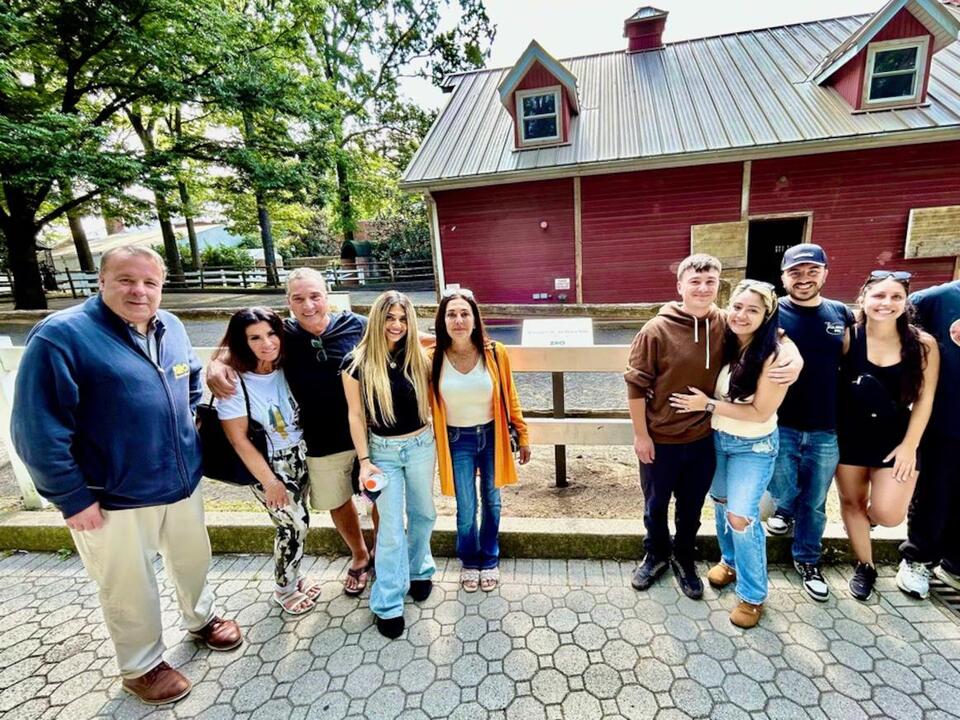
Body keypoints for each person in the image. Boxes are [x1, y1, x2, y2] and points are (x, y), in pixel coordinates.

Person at [11, 246, 242, 706]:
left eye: (150, 282)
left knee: (193, 558)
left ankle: (201, 619)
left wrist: (193, 416)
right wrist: (71, 497)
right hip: (110, 494)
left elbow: (190, 377)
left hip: (179, 482)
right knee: (128, 582)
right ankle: (141, 665)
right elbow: (36, 429)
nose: (140, 290)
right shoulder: (62, 337)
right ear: (101, 281)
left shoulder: (171, 327)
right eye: (126, 280)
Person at [624, 254, 801, 600]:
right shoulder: (655, 330)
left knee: (692, 508)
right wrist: (641, 435)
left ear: (718, 286)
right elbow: (635, 386)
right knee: (656, 505)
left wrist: (795, 357)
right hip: (660, 440)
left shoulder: (728, 322)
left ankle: (685, 558)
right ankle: (656, 553)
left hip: (705, 438)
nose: (703, 289)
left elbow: (772, 333)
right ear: (680, 287)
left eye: (710, 282)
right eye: (694, 282)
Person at [207, 268, 374, 596]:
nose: (308, 304)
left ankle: (383, 553)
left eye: (315, 296)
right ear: (289, 302)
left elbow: (400, 337)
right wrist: (216, 363)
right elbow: (246, 339)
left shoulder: (357, 325)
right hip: (319, 441)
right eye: (299, 298)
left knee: (377, 496)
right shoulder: (284, 334)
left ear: (328, 295)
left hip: (368, 432)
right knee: (338, 501)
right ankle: (359, 555)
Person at [671, 280, 788, 628]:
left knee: (741, 515)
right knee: (721, 502)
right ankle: (730, 560)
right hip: (719, 440)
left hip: (754, 446)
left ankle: (753, 595)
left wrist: (706, 405)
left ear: (767, 315)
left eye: (753, 309)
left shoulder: (776, 355)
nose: (742, 315)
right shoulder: (727, 340)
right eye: (737, 307)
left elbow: (759, 413)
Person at [835, 271, 939, 602]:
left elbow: (925, 398)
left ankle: (870, 524)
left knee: (888, 513)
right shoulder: (849, 336)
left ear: (906, 302)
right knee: (852, 502)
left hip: (895, 437)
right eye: (879, 295)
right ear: (863, 297)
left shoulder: (922, 344)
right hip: (849, 434)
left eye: (896, 297)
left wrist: (910, 446)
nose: (886, 303)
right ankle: (865, 565)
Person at [343, 290, 436, 638]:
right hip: (382, 453)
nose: (395, 325)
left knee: (425, 513)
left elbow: (453, 342)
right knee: (392, 528)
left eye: (402, 318)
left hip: (421, 445)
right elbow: (355, 415)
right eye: (389, 318)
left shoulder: (420, 358)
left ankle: (420, 570)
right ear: (377, 320)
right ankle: (388, 601)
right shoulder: (356, 363)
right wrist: (365, 461)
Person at [214, 308, 319, 615]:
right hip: (269, 464)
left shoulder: (285, 367)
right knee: (292, 527)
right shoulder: (234, 383)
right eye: (255, 338)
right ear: (241, 342)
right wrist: (270, 481)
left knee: (300, 521)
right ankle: (283, 588)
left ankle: (294, 576)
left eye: (271, 334)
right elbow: (238, 440)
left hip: (301, 453)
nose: (266, 343)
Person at [766, 244, 853, 602]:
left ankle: (807, 560)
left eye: (811, 271)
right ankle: (785, 509)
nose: (804, 279)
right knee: (783, 488)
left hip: (824, 425)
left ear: (825, 273)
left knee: (816, 501)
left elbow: (851, 361)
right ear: (784, 276)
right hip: (780, 421)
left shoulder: (840, 314)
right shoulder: (772, 313)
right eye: (795, 273)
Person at [429, 289, 531, 592]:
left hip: (492, 435)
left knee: (493, 501)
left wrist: (522, 434)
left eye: (464, 314)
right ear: (442, 320)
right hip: (456, 439)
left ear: (475, 319)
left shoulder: (495, 352)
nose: (458, 320)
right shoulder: (432, 356)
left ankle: (490, 557)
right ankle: (469, 559)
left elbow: (510, 396)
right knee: (465, 506)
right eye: (451, 314)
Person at [896, 279, 958, 598]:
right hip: (945, 420)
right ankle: (917, 559)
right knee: (936, 492)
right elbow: (899, 333)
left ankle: (953, 564)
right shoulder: (937, 299)